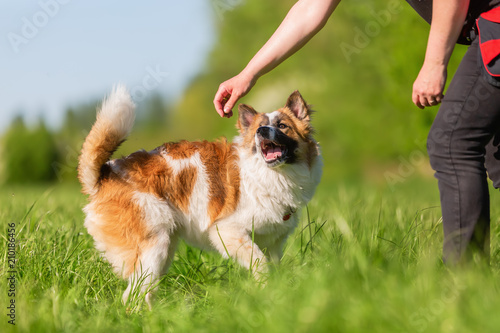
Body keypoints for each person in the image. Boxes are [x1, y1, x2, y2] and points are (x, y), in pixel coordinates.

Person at [213, 0, 500, 264]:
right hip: (486, 29)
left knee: (451, 143)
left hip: (494, 24)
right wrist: (248, 73)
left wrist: (435, 62)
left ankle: (465, 283)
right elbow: (310, 10)